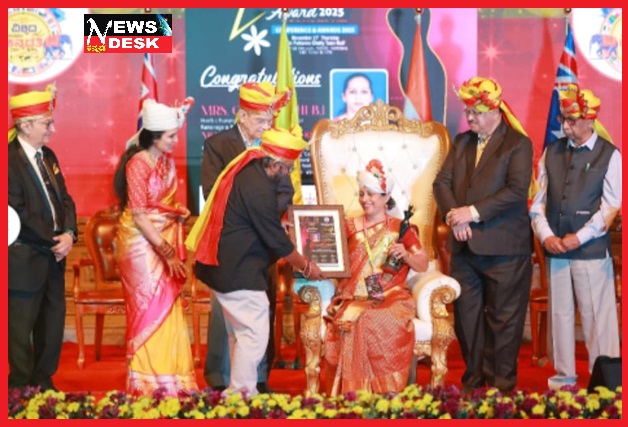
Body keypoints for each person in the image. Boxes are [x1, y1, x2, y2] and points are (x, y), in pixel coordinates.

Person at [187, 128, 324, 396]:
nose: (288, 174)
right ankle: (241, 394)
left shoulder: (249, 171)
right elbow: (276, 240)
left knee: (241, 333)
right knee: (254, 333)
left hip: (224, 267)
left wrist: (278, 228)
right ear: (274, 164)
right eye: (287, 168)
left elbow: (259, 224)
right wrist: (306, 266)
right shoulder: (258, 186)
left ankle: (237, 392)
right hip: (237, 270)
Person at [433, 76, 533, 393]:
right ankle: (474, 382)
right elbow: (441, 183)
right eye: (467, 112)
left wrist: (472, 212)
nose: (469, 118)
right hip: (465, 249)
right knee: (467, 320)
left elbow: (516, 191)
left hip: (505, 250)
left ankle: (502, 388)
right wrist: (455, 217)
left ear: (494, 112)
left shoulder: (518, 143)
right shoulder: (462, 141)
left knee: (504, 321)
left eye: (475, 112)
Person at [200, 81, 293, 393]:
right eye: (260, 120)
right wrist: (253, 212)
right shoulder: (218, 145)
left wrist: (263, 214)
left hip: (264, 241)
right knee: (226, 314)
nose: (266, 126)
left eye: (269, 120)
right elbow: (212, 192)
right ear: (241, 115)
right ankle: (220, 377)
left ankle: (258, 379)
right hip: (230, 242)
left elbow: (285, 191)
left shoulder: (273, 145)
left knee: (262, 310)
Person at [530, 84, 621, 391]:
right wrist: (546, 236)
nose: (565, 126)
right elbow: (537, 203)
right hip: (556, 250)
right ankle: (562, 384)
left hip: (590, 251)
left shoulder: (610, 155)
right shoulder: (551, 152)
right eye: (563, 119)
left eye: (571, 120)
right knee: (560, 317)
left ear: (589, 120)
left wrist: (578, 238)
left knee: (597, 318)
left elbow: (611, 207)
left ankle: (605, 386)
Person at [113, 98, 198, 396]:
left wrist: (176, 211)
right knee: (149, 306)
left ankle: (173, 380)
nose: (175, 141)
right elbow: (139, 214)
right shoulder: (138, 163)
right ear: (154, 136)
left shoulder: (164, 161)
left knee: (169, 306)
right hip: (139, 244)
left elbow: (160, 203)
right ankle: (148, 382)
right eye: (171, 136)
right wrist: (168, 253)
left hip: (159, 236)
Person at [323, 159, 429, 396]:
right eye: (361, 193)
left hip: (391, 296)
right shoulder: (349, 225)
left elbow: (422, 264)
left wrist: (406, 255)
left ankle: (385, 393)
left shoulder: (400, 229)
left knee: (372, 318)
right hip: (354, 296)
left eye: (371, 194)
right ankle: (354, 394)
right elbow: (327, 250)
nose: (364, 199)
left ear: (385, 197)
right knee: (356, 319)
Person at [8, 84, 78, 391]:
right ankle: (20, 387)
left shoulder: (48, 156)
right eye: (46, 123)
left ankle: (43, 383)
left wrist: (70, 234)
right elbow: (17, 212)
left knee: (52, 325)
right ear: (25, 125)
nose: (52, 128)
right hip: (24, 258)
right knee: (20, 329)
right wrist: (54, 240)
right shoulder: (8, 160)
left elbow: (66, 200)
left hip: (54, 256)